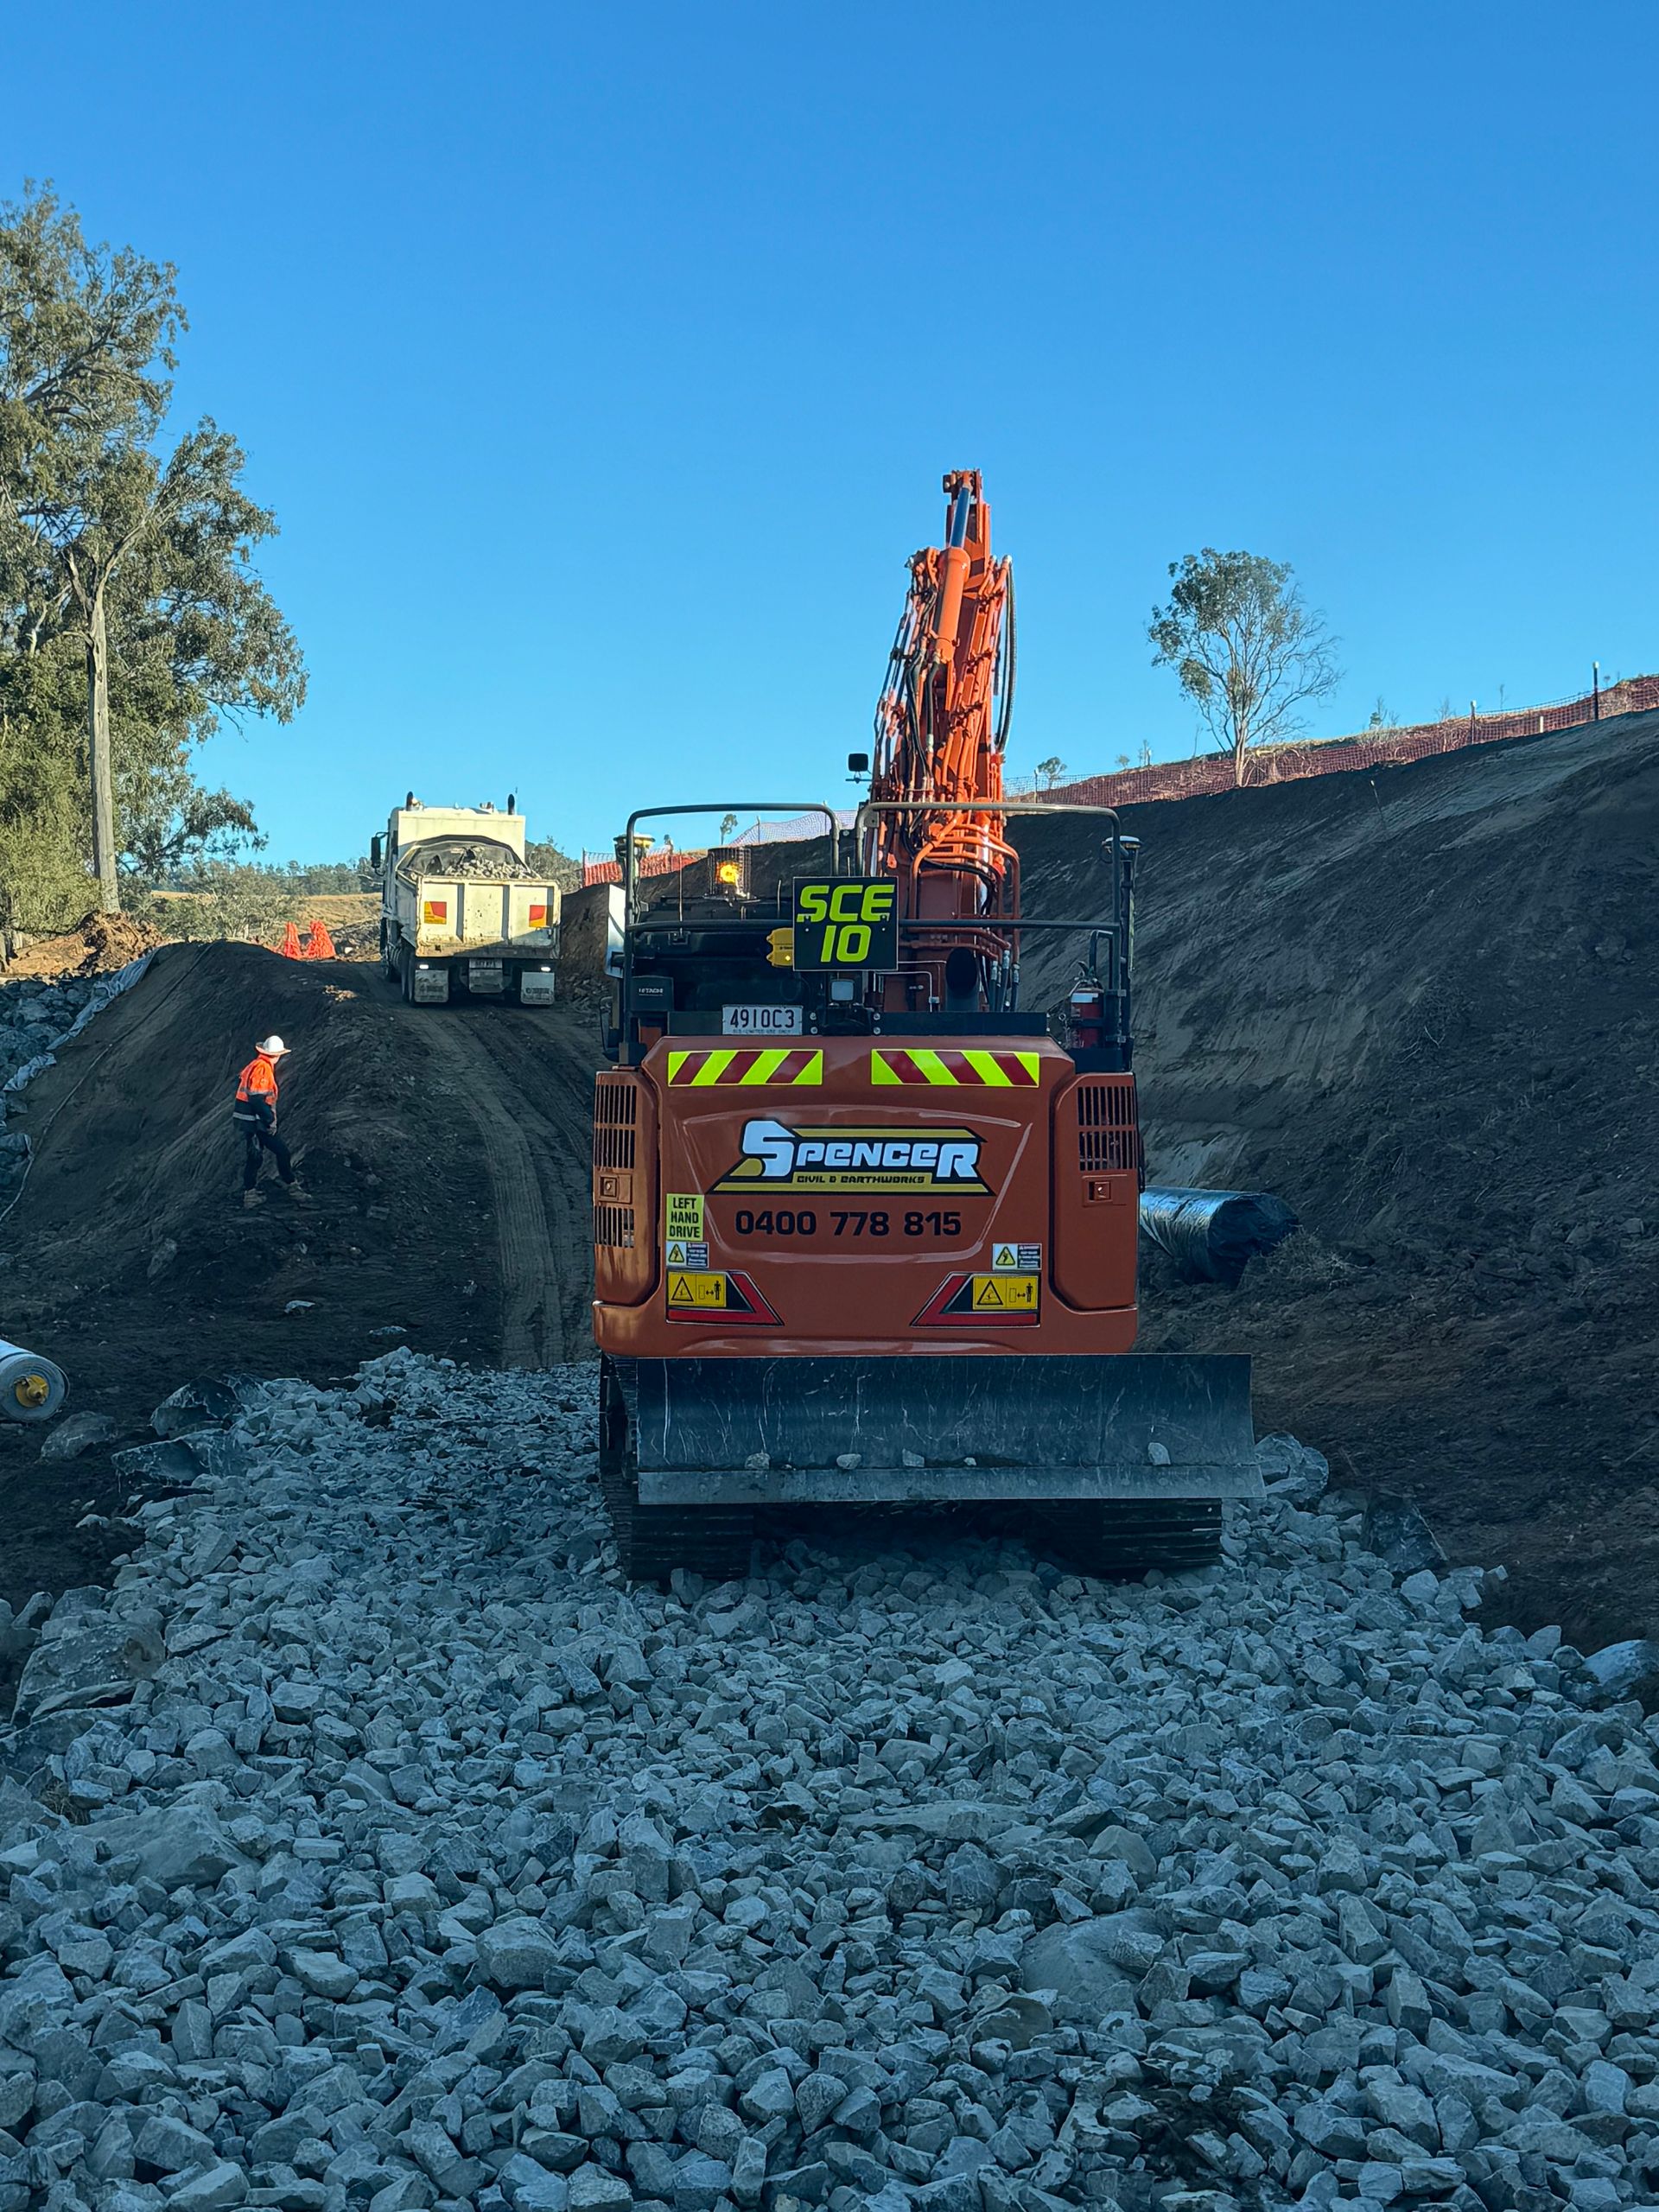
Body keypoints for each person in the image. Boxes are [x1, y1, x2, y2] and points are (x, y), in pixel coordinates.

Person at [232, 1034, 308, 1208]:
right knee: (282, 1152)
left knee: (255, 1157)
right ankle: (292, 1186)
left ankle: (250, 1194)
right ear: (277, 1055)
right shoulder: (263, 1069)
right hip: (257, 1121)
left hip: (250, 1120)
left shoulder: (255, 1065)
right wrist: (269, 1120)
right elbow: (257, 1099)